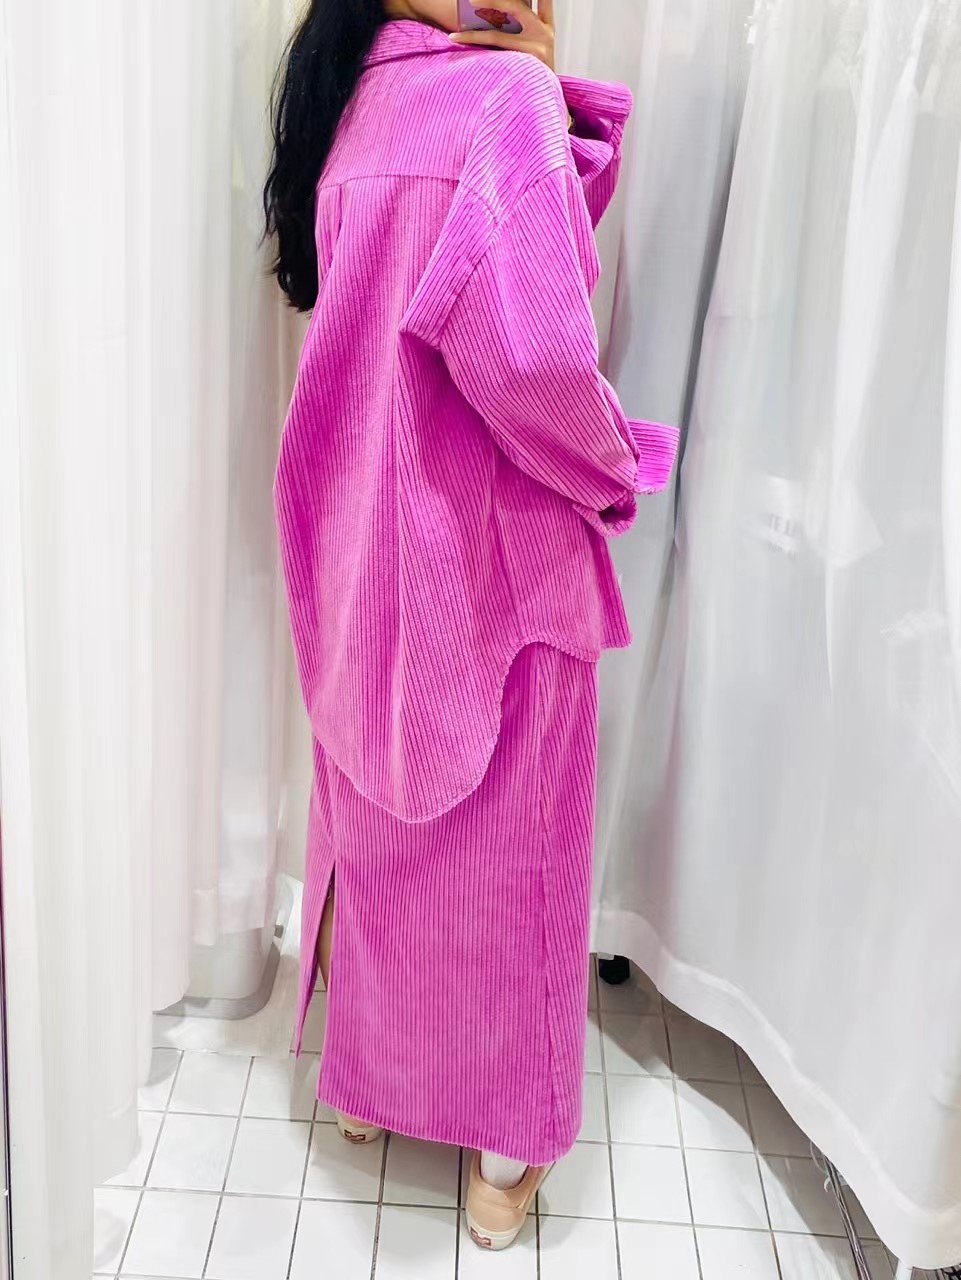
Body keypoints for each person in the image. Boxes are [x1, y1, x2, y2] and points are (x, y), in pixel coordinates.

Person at [265, 0, 678, 1252]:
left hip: (361, 526)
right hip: (490, 548)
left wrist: (545, 98)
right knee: (518, 855)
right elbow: (536, 354)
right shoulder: (500, 105)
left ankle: (368, 1087)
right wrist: (616, 465)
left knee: (380, 826)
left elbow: (459, 275)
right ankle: (503, 1154)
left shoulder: (354, 95)